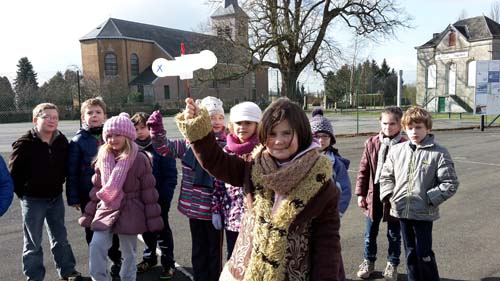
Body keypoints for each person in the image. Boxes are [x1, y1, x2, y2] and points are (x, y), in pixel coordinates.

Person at [148, 97, 341, 280]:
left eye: (287, 133)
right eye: (272, 134)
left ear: (302, 133)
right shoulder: (254, 166)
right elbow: (216, 161)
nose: (278, 141)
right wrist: (198, 126)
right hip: (248, 271)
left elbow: (327, 244)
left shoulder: (320, 183)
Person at [149, 96, 226, 281]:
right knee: (198, 249)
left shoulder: (227, 142)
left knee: (215, 251)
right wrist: (156, 129)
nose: (216, 122)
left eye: (220, 117)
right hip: (195, 209)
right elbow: (164, 148)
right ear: (201, 119)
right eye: (211, 117)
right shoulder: (188, 143)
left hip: (217, 210)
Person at [78, 112, 163, 281]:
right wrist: (89, 214)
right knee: (96, 246)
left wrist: (153, 219)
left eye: (117, 135)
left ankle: (128, 278)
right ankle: (100, 278)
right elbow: (97, 189)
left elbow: (148, 191)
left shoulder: (140, 158)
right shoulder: (102, 157)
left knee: (129, 252)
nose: (113, 139)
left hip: (131, 209)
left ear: (127, 135)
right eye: (109, 135)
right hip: (107, 208)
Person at [380, 106, 459, 281]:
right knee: (410, 252)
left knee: (424, 253)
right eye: (410, 128)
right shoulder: (397, 150)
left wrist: (429, 199)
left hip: (423, 213)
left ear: (428, 128)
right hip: (401, 212)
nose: (414, 132)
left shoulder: (438, 153)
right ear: (404, 128)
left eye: (418, 127)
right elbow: (386, 176)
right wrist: (390, 196)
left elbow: (450, 183)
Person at [9, 103, 82, 281]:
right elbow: (14, 173)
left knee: (61, 238)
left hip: (55, 198)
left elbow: (67, 167)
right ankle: (34, 277)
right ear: (36, 120)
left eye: (55, 117)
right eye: (46, 117)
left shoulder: (61, 141)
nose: (51, 120)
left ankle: (67, 271)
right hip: (32, 200)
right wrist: (24, 194)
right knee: (33, 242)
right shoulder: (24, 143)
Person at [66, 98, 123, 277]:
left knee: (113, 230)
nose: (94, 116)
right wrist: (73, 197)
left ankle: (116, 259)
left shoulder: (113, 136)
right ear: (83, 117)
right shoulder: (77, 141)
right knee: (92, 231)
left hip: (111, 194)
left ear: (105, 116)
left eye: (98, 112)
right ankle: (98, 265)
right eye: (90, 113)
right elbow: (72, 172)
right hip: (88, 196)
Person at [354, 106, 406, 280]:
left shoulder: (406, 144)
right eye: (385, 123)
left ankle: (392, 264)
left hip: (394, 197)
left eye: (392, 123)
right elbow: (363, 170)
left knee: (394, 234)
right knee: (370, 233)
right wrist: (361, 194)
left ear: (400, 124)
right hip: (373, 194)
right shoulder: (372, 143)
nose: (388, 127)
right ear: (380, 123)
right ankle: (368, 261)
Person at [211, 102, 261, 259]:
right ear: (232, 125)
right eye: (239, 123)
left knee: (256, 259)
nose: (243, 127)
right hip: (232, 219)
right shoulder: (226, 152)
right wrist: (215, 211)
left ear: (257, 125)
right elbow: (218, 184)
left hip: (257, 219)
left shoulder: (263, 151)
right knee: (234, 258)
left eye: (248, 123)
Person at [131, 112, 178, 279]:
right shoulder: (132, 149)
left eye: (143, 127)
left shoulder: (161, 146)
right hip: (140, 200)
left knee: (162, 231)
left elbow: (171, 176)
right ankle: (149, 258)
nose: (140, 132)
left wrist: (164, 198)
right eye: (136, 129)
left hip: (159, 200)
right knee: (146, 231)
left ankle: (168, 263)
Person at [310, 111, 351, 281]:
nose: (321, 140)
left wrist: (337, 214)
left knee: (330, 250)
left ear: (331, 139)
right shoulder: (301, 160)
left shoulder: (336, 164)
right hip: (307, 216)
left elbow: (345, 191)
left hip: (328, 217)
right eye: (317, 136)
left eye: (325, 136)